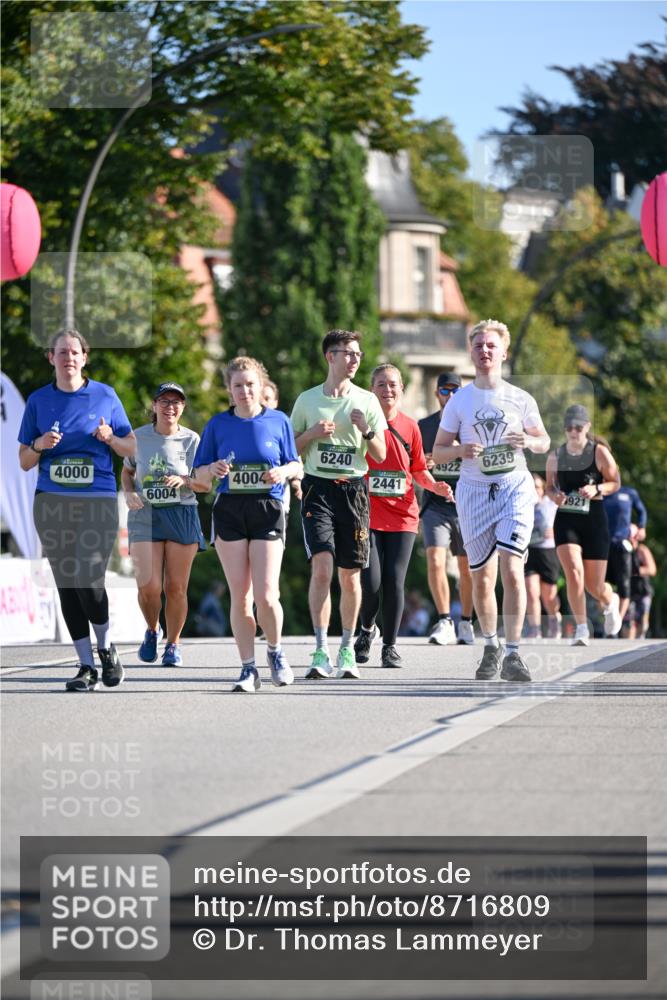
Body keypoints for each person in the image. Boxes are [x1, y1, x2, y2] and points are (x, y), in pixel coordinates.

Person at [433, 319, 551, 682]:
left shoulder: (520, 398)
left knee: (512, 569)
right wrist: (460, 449)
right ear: (471, 352)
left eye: (491, 345)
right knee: (481, 578)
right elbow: (436, 453)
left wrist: (528, 442)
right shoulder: (460, 400)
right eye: (478, 345)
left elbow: (544, 441)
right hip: (473, 493)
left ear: (504, 352)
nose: (484, 350)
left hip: (514, 487)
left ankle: (514, 653)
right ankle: (491, 644)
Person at [17, 329, 135, 692]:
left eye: (74, 352)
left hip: (97, 499)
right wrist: (39, 444)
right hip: (52, 502)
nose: (68, 358)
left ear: (85, 357)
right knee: (67, 583)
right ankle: (85, 666)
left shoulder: (105, 396)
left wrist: (109, 439)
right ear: (51, 358)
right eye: (61, 352)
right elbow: (23, 461)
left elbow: (130, 446)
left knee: (88, 574)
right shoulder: (38, 401)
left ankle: (105, 647)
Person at [193, 356, 301, 692]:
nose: (244, 391)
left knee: (267, 595)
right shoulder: (217, 425)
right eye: (237, 386)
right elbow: (197, 476)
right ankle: (247, 668)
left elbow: (296, 464)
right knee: (240, 596)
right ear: (229, 389)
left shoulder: (278, 421)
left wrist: (283, 472)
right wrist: (212, 470)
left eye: (250, 384)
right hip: (229, 510)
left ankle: (275, 651)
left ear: (260, 385)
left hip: (267, 507)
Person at [290, 329, 387, 679]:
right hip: (318, 489)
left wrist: (367, 431)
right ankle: (320, 650)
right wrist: (312, 434)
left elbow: (381, 454)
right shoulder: (307, 400)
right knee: (322, 568)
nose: (355, 359)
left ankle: (347, 648)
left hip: (354, 491)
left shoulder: (367, 401)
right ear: (330, 356)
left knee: (350, 575)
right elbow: (290, 450)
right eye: (349, 353)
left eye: (358, 354)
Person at [353, 364, 453, 668]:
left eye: (393, 384)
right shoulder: (360, 424)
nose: (387, 390)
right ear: (372, 389)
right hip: (368, 514)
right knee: (370, 583)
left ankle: (390, 647)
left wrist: (434, 484)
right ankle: (367, 629)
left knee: (394, 580)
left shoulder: (411, 427)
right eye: (381, 384)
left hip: (403, 517)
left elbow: (418, 469)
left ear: (402, 389)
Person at [121, 382, 207, 667]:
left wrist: (185, 481)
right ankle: (151, 629)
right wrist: (129, 491)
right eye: (165, 401)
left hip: (181, 513)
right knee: (148, 586)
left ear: (182, 407)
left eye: (176, 402)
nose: (170, 407)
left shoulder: (192, 440)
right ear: (154, 405)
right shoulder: (138, 437)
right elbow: (128, 471)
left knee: (176, 587)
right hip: (145, 514)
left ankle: (173, 644)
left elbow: (205, 483)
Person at [545, 404, 622, 645]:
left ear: (587, 427)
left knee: (594, 586)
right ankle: (581, 628)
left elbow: (615, 482)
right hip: (567, 518)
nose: (573, 432)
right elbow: (549, 486)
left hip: (594, 519)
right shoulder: (556, 456)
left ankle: (610, 601)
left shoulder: (599, 452)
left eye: (578, 427)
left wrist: (597, 487)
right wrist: (554, 495)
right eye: (569, 428)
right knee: (574, 573)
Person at [418, 372, 474, 645]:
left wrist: (458, 452)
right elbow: (412, 464)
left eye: (455, 391)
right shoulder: (424, 426)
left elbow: (484, 461)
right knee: (436, 560)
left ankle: (466, 621)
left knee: (467, 567)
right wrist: (426, 463)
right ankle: (443, 620)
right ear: (437, 394)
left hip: (466, 504)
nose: (450, 396)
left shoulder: (471, 425)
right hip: (435, 505)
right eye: (444, 391)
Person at [603, 481, 648, 624]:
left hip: (622, 545)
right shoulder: (597, 493)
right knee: (598, 584)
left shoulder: (629, 493)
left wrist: (641, 527)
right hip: (601, 544)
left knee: (624, 584)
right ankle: (610, 610)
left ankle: (618, 621)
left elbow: (641, 511)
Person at [524, 473, 562, 639]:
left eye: (538, 487)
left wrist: (556, 531)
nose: (535, 490)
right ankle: (535, 628)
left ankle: (554, 618)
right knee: (531, 591)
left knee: (549, 595)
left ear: (543, 489)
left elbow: (565, 523)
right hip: (529, 551)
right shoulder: (522, 505)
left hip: (548, 552)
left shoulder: (551, 504)